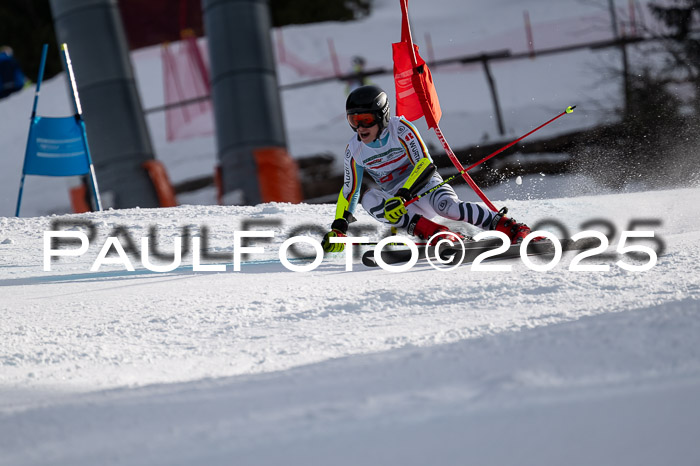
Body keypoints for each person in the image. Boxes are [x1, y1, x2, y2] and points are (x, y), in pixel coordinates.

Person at [321, 85, 532, 253]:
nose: (360, 128)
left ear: (381, 116)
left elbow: (424, 164)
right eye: (354, 120)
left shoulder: (401, 129)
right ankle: (437, 234)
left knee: (448, 207)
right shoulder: (354, 149)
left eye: (365, 120)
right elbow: (351, 190)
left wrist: (404, 195)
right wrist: (339, 228)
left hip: (423, 187)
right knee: (369, 198)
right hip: (398, 201)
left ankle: (512, 228)